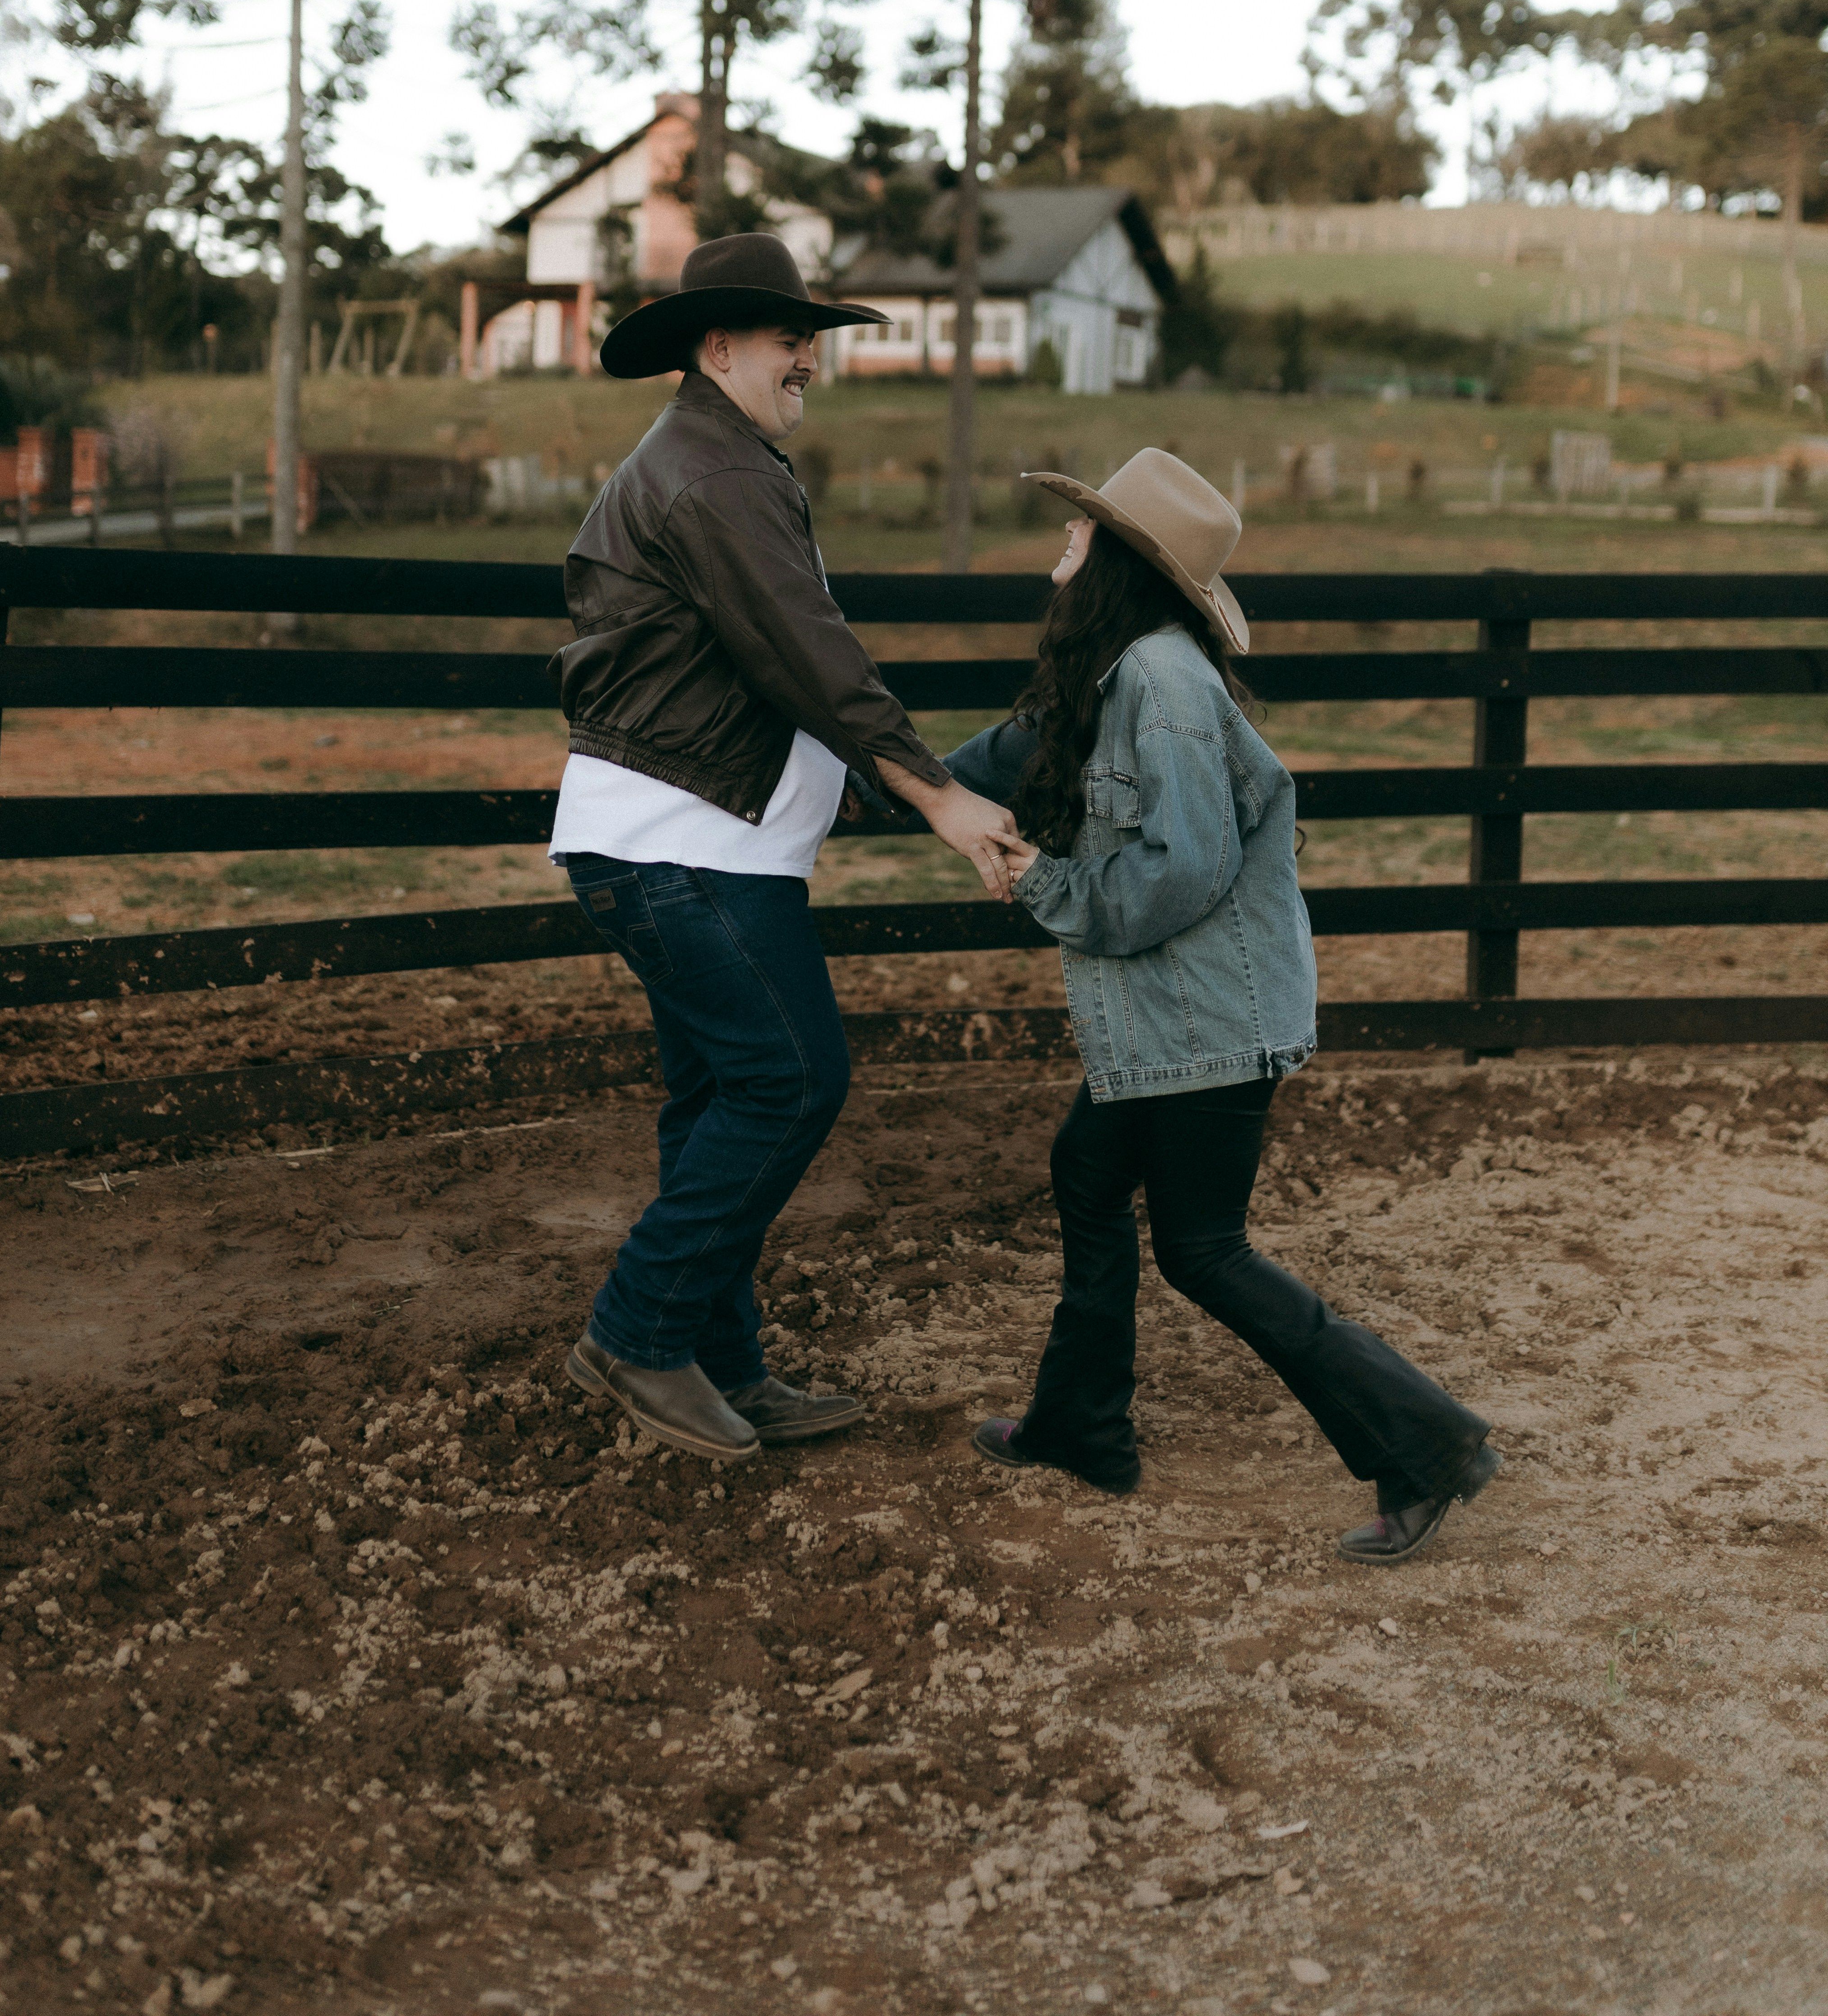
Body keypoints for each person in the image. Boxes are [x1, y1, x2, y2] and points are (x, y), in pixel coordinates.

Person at [953, 449, 1500, 1566]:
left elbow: (1185, 868)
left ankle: (1428, 1445)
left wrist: (1043, 883)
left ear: (1121, 562)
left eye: (1084, 530)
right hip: (1173, 1019)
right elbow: (1007, 755)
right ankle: (1081, 1428)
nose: (1064, 541)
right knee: (1089, 1175)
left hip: (1210, 1018)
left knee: (1205, 1250)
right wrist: (881, 773)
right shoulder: (1113, 673)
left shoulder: (1162, 683)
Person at [550, 231, 1021, 1469]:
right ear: (717, 348)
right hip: (683, 850)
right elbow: (809, 653)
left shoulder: (718, 461)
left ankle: (720, 1364)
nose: (809, 357)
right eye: (786, 335)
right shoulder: (713, 473)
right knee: (793, 1081)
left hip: (691, 843)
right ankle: (638, 1333)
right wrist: (934, 795)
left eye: (812, 336)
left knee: (717, 1097)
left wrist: (858, 784)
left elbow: (757, 671)